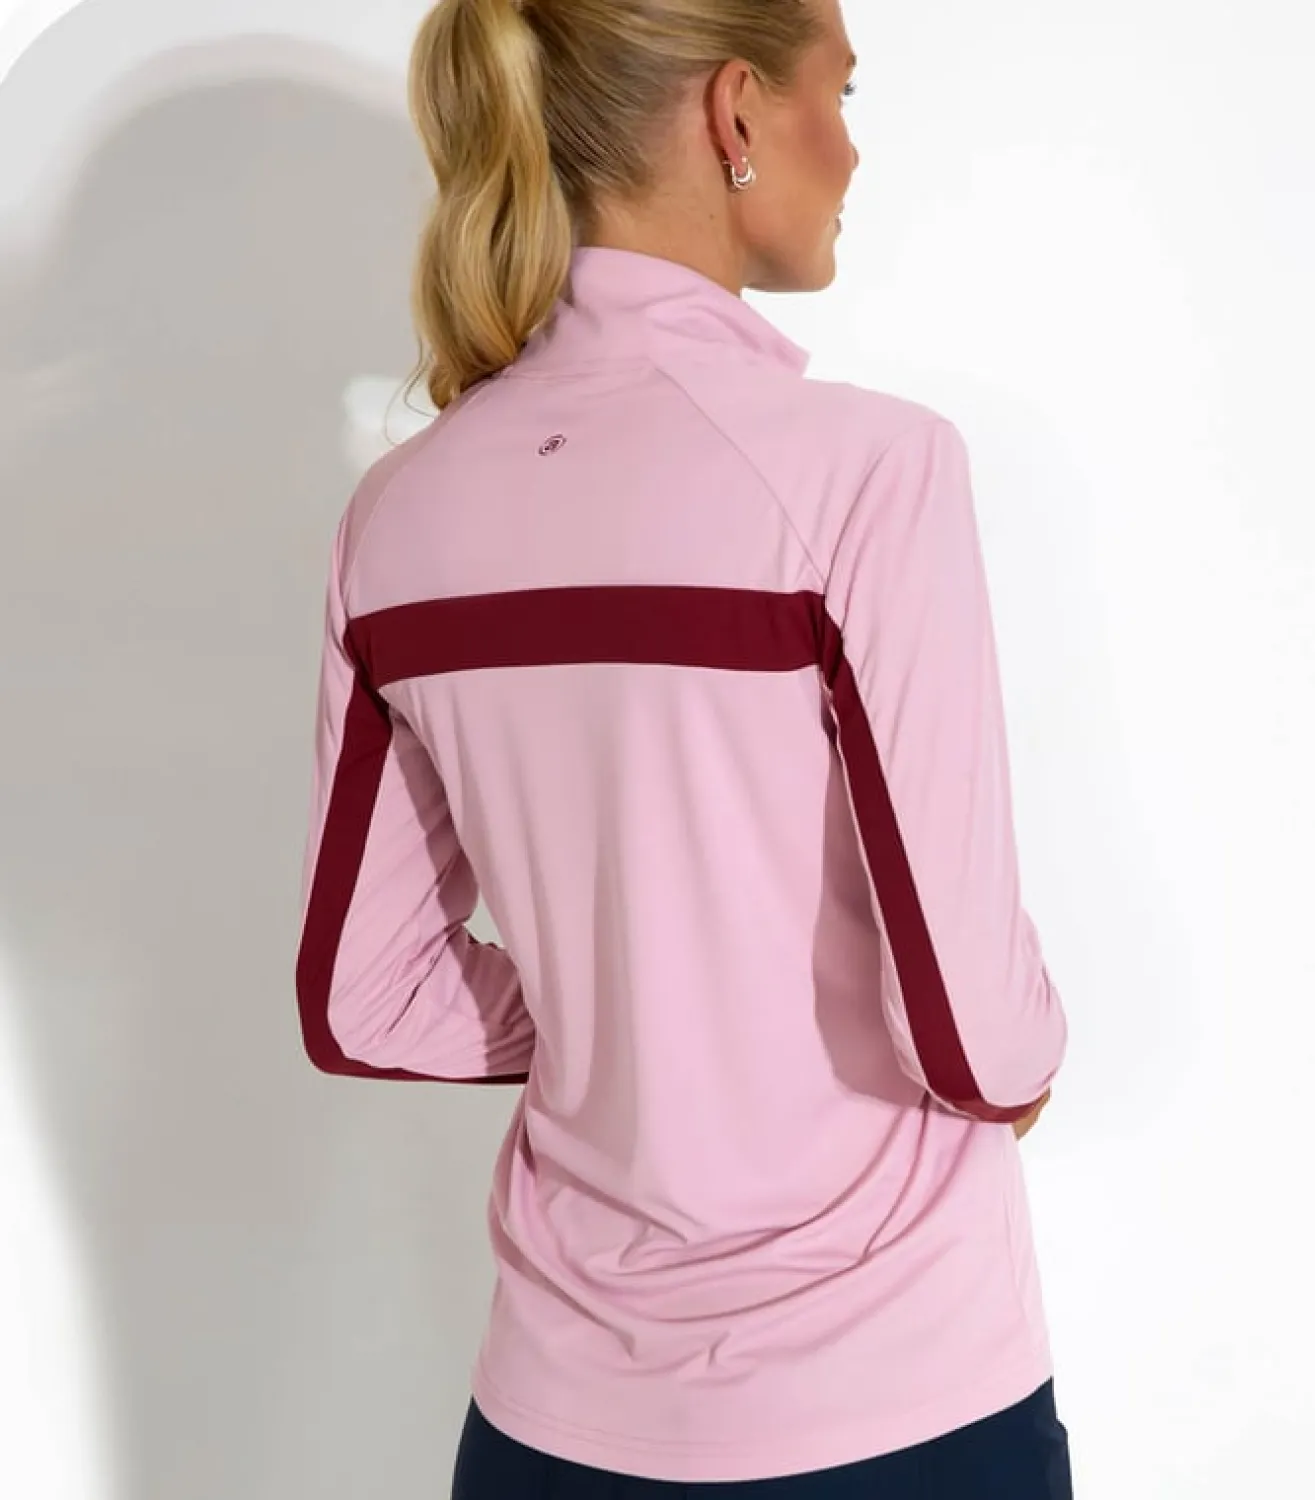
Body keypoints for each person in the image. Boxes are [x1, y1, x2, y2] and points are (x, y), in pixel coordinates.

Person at [293, 0, 1073, 1492]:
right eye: (841, 93)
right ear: (736, 112)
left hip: (550, 1423)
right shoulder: (871, 469)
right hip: (892, 1401)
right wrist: (1015, 1051)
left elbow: (367, 1002)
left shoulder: (397, 517)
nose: (854, 149)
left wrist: (625, 1014)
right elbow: (977, 1038)